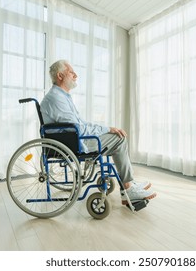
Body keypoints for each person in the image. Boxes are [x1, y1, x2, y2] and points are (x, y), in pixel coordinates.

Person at [40, 60, 156, 205]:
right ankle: (128, 188)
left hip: (73, 139)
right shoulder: (57, 98)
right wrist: (108, 129)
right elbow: (79, 129)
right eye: (71, 72)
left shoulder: (62, 96)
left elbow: (81, 124)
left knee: (116, 136)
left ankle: (128, 184)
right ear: (60, 76)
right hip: (74, 143)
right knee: (119, 139)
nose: (76, 75)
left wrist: (107, 128)